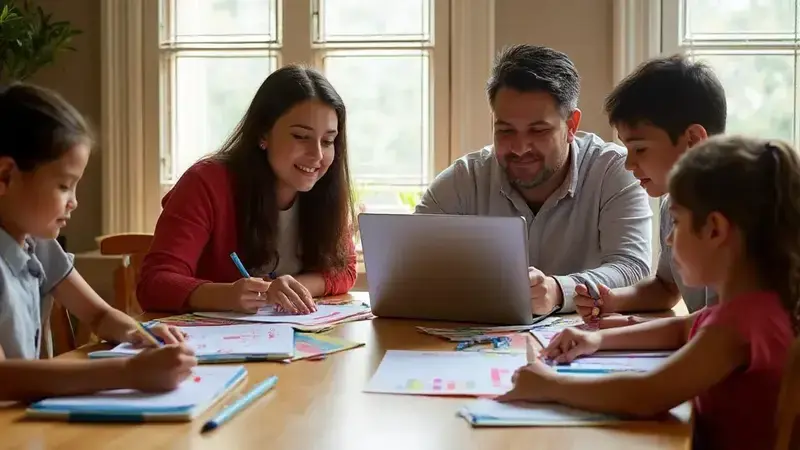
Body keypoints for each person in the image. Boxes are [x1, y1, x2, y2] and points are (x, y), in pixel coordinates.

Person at [499, 135, 799, 450]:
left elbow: (646, 395)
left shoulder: (738, 323)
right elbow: (684, 327)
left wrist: (550, 385)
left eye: (678, 222)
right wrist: (599, 338)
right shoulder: (763, 304)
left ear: (714, 230)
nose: (669, 240)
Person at [415, 44, 652, 315]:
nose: (519, 148)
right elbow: (410, 263)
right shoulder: (464, 179)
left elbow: (633, 267)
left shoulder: (613, 170)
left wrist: (559, 291)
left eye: (538, 131)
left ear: (571, 126)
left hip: (586, 346)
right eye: (505, 131)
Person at [0, 83, 196, 401]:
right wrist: (128, 373)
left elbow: (99, 315)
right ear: (5, 176)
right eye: (64, 185)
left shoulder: (39, 244)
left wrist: (139, 334)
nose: (74, 201)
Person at [137, 65, 357, 314]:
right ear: (263, 133)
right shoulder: (205, 183)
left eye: (328, 141)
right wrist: (230, 294)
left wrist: (283, 288)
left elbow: (344, 270)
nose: (317, 155)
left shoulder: (327, 188)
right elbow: (154, 283)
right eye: (300, 136)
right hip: (211, 344)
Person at [574, 55, 726, 327]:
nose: (629, 164)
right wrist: (613, 300)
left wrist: (631, 328)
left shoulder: (735, 214)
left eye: (640, 149)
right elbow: (666, 288)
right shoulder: (673, 205)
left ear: (692, 140)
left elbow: (720, 329)